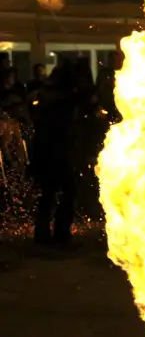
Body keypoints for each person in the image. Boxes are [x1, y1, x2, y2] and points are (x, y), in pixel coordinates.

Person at [30, 62, 79, 246]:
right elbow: (64, 129)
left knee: (49, 194)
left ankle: (43, 234)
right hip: (56, 152)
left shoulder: (48, 96)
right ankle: (60, 234)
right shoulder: (63, 101)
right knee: (66, 192)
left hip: (46, 151)